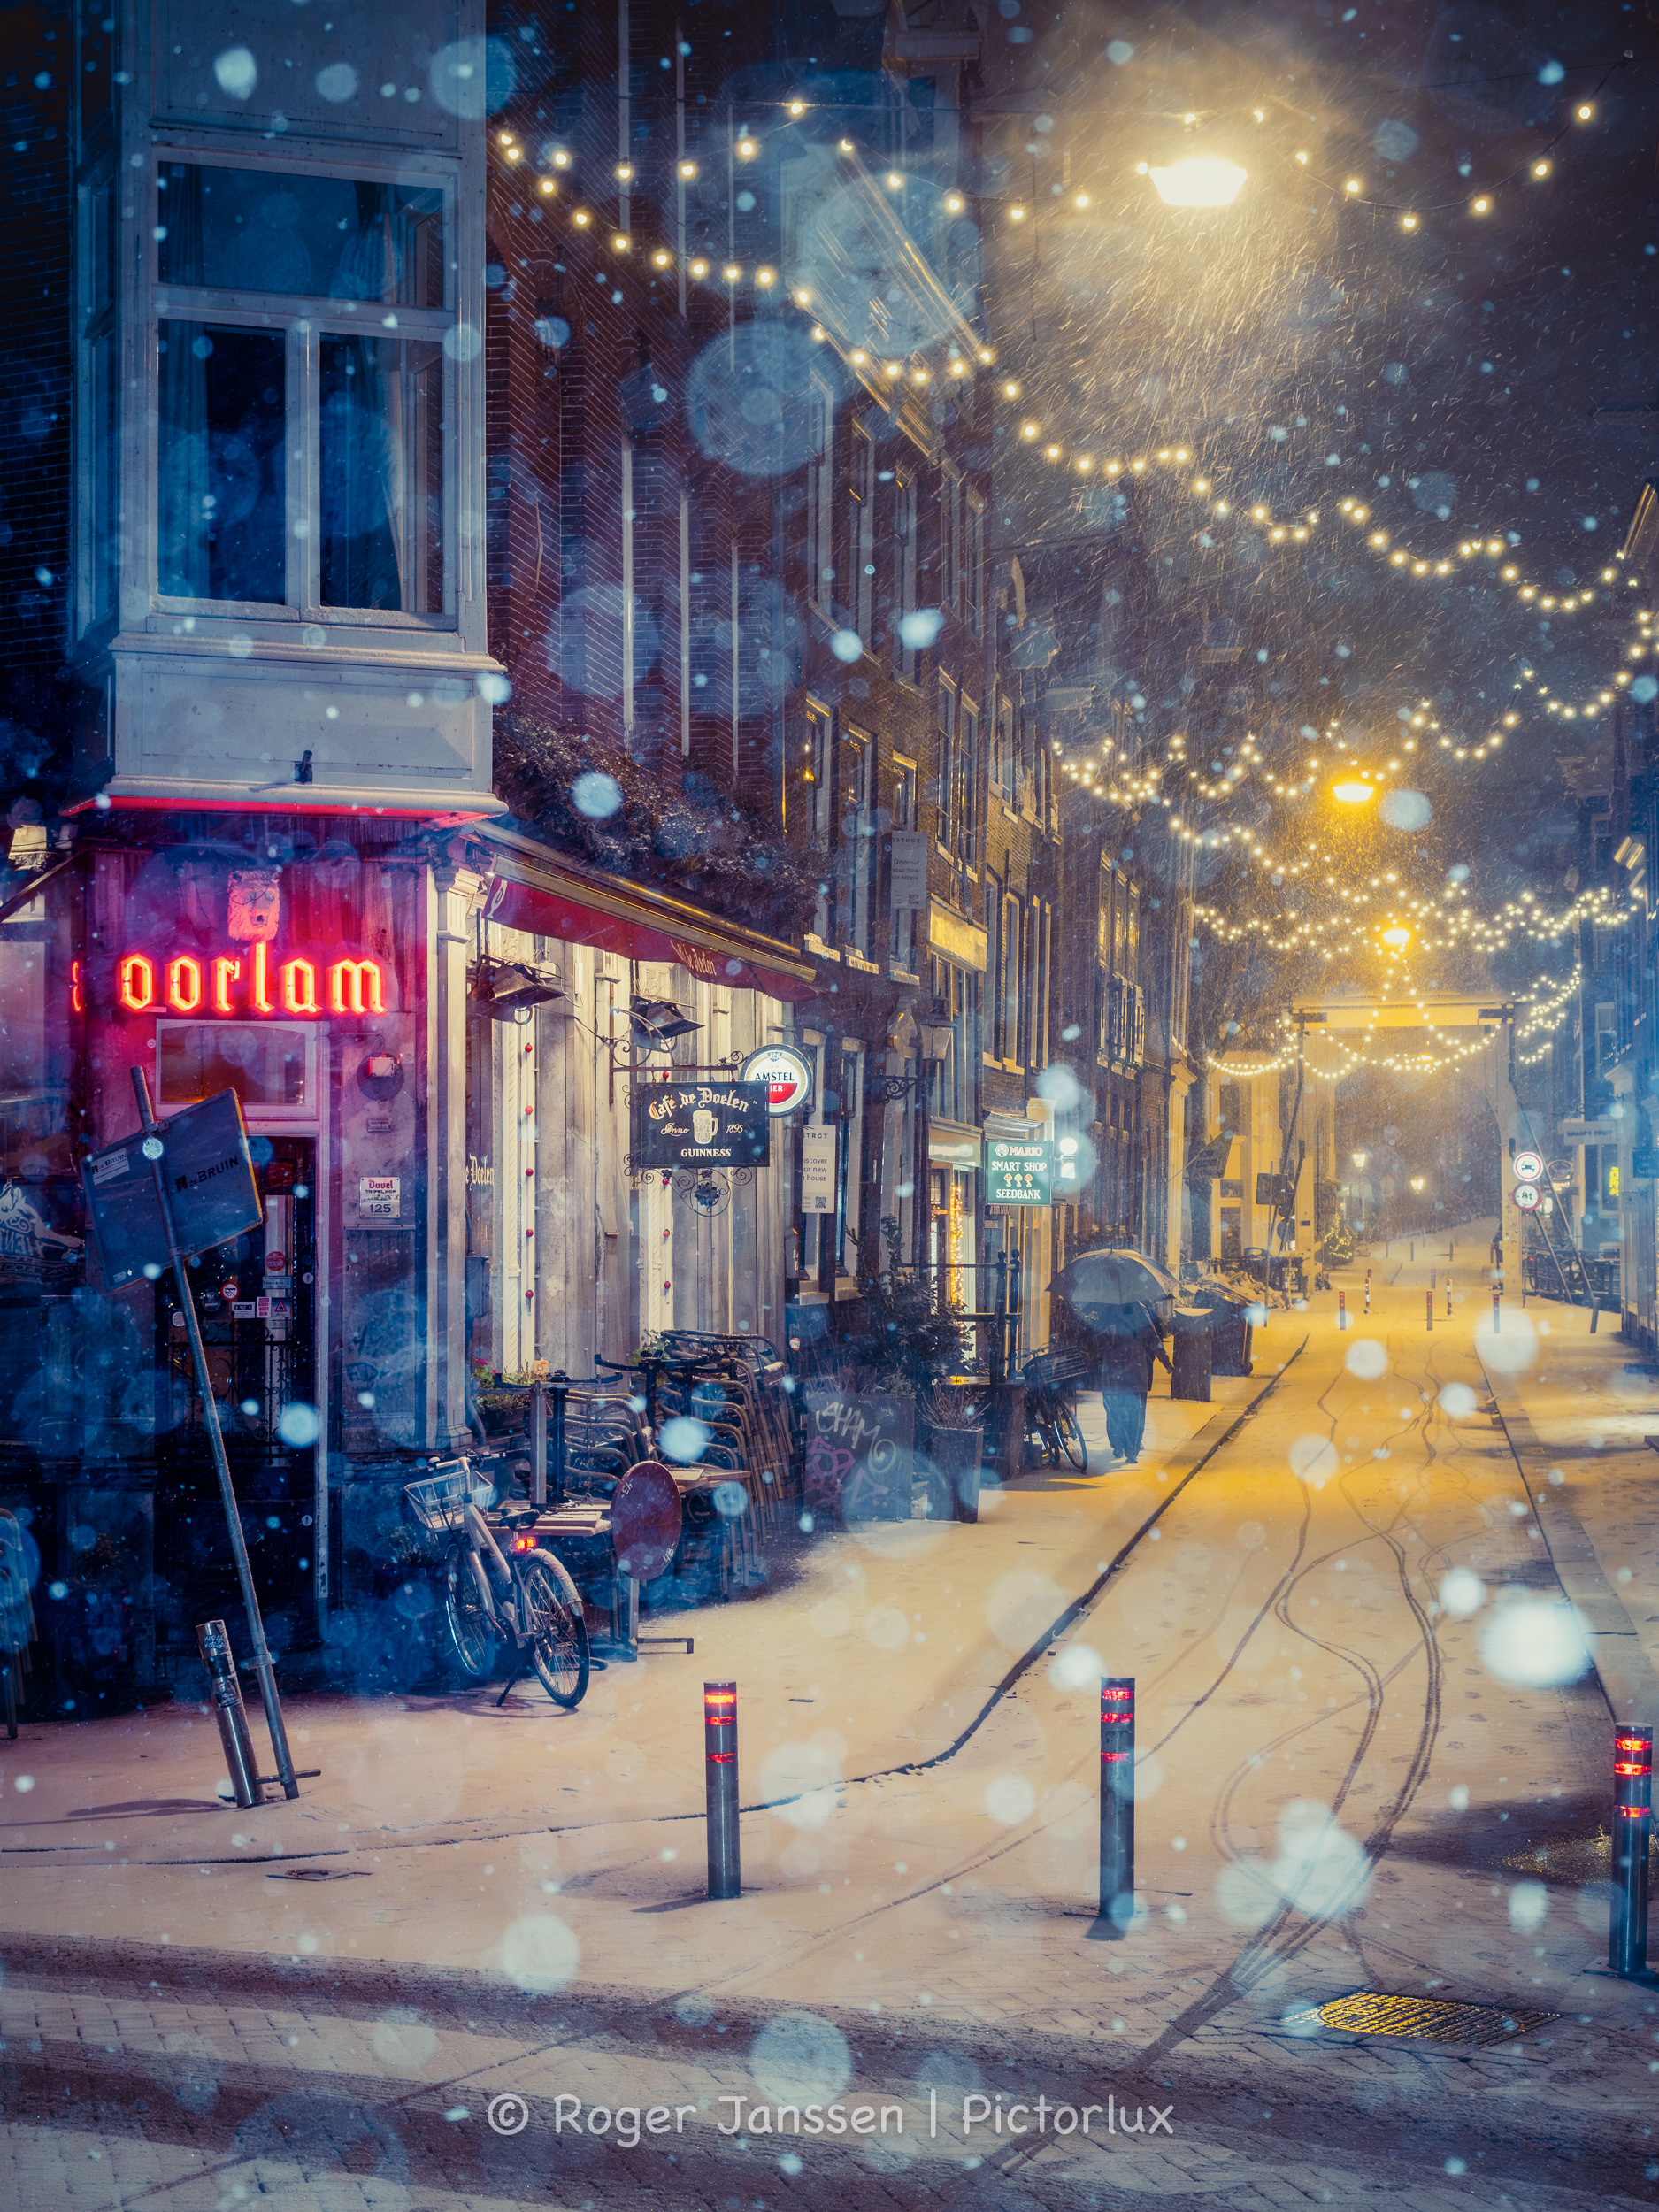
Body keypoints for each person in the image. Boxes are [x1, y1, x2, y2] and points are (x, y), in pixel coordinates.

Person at [1095, 1302, 1171, 1467]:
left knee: (1116, 1410)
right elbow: (1153, 1339)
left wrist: (1107, 1336)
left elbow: (1095, 1342)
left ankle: (1123, 1447)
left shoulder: (1108, 1312)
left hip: (1118, 1372)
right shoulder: (1139, 1311)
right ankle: (1129, 1450)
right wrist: (1165, 1361)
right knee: (1134, 1413)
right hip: (1132, 1371)